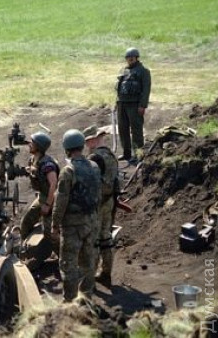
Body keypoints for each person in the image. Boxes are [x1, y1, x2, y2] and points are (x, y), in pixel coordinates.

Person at [51, 129, 101, 302]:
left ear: (67, 149)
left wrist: (55, 224)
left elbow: (61, 201)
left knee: (68, 265)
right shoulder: (94, 167)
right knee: (89, 262)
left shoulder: (68, 171)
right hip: (92, 221)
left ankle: (70, 302)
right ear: (81, 146)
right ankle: (86, 297)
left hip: (72, 226)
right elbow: (97, 194)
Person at [83, 125, 120, 288]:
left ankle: (89, 276)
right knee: (106, 237)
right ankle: (106, 273)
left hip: (97, 203)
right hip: (110, 200)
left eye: (87, 141)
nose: (86, 145)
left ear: (93, 140)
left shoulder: (94, 158)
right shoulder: (111, 155)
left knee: (94, 240)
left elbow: (88, 183)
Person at [19, 132, 60, 243]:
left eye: (32, 143)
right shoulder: (33, 160)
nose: (29, 144)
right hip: (42, 197)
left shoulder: (48, 165)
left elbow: (54, 184)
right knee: (26, 222)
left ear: (39, 146)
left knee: (49, 232)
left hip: (53, 199)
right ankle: (25, 250)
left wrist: (47, 205)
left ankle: (61, 256)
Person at [115, 47, 151, 164]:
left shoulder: (143, 71)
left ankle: (138, 154)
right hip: (122, 103)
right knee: (122, 129)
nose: (130, 59)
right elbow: (119, 88)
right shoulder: (123, 71)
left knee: (136, 130)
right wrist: (117, 102)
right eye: (128, 58)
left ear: (136, 58)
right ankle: (126, 153)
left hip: (135, 105)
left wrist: (142, 105)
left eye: (132, 57)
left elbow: (146, 90)